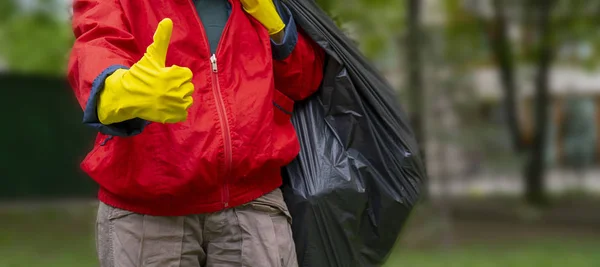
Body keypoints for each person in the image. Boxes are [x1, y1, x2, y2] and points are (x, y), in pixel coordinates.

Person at [67, 0, 324, 266]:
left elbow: (304, 82)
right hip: (148, 215)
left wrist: (278, 31)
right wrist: (118, 89)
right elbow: (97, 46)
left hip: (254, 204)